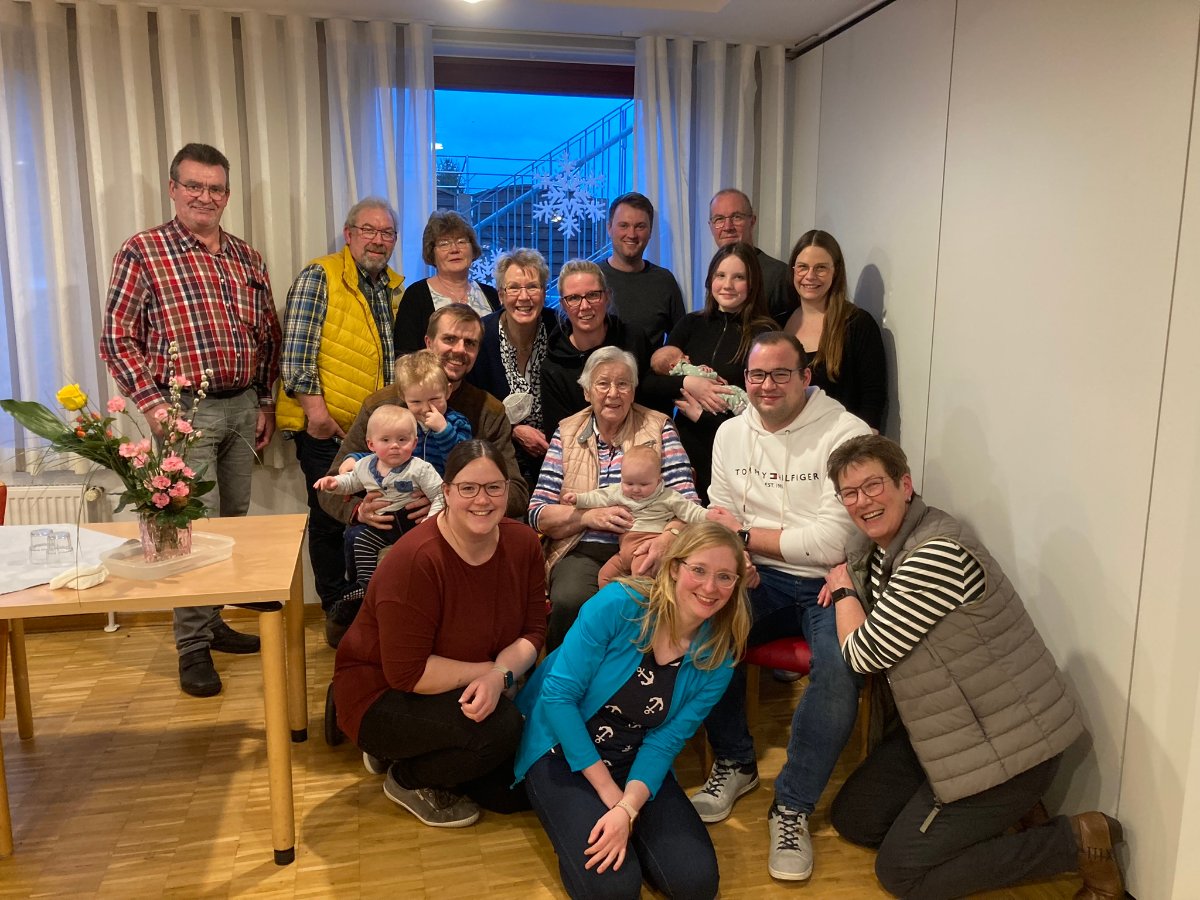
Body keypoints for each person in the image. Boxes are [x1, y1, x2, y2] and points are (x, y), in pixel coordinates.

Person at [823, 435, 1125, 899]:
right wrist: (849, 578)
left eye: (874, 485)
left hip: (1010, 749)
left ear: (905, 485)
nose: (863, 501)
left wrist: (843, 589)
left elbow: (865, 655)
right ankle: (988, 824)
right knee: (855, 819)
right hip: (950, 732)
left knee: (901, 874)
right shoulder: (879, 547)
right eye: (850, 492)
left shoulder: (935, 553)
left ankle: (1076, 843)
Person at [100, 142, 281, 698]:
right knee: (188, 527)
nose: (206, 196)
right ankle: (192, 646)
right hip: (183, 412)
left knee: (232, 521)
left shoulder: (247, 257)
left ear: (227, 194)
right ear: (173, 189)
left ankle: (213, 620)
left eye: (216, 188)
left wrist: (265, 401)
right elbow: (118, 337)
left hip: (242, 404)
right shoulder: (143, 251)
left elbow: (267, 335)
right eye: (195, 186)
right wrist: (154, 406)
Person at [695, 331, 870, 883]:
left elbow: (832, 542)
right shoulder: (730, 434)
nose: (767, 386)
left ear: (805, 377)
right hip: (757, 574)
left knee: (840, 669)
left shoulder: (846, 434)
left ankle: (792, 806)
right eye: (757, 375)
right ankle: (736, 762)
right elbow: (717, 515)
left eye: (780, 374)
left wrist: (746, 535)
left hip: (829, 582)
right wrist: (739, 556)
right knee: (704, 632)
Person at [514, 522, 752, 899]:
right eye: (699, 570)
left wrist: (627, 808)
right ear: (674, 568)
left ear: (736, 584)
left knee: (696, 884)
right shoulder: (619, 605)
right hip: (561, 749)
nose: (710, 587)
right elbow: (558, 698)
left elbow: (666, 740)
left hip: (633, 756)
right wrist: (613, 797)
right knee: (614, 889)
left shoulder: (719, 656)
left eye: (725, 577)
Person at [333, 439, 547, 828]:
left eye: (493, 487)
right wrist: (492, 674)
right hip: (380, 691)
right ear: (445, 492)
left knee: (511, 792)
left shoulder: (523, 543)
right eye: (468, 488)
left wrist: (500, 676)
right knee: (501, 731)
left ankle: (414, 750)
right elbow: (407, 673)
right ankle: (406, 778)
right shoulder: (416, 559)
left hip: (469, 683)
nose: (482, 500)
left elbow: (533, 630)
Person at [320, 306, 528, 646]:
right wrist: (358, 510)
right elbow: (331, 482)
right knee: (348, 637)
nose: (459, 350)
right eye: (450, 339)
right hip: (387, 524)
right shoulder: (381, 405)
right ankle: (363, 599)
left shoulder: (488, 410)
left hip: (457, 530)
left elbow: (516, 493)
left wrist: (451, 504)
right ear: (428, 343)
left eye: (470, 343)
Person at [277, 197, 405, 617]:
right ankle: (336, 607)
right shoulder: (321, 275)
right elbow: (296, 355)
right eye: (369, 230)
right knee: (330, 517)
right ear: (348, 235)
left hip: (375, 433)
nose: (378, 240)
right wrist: (317, 417)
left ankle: (367, 604)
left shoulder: (394, 288)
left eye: (387, 233)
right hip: (328, 429)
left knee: (371, 516)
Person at [528, 347, 698, 651]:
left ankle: (631, 679)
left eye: (623, 384)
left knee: (645, 604)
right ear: (587, 392)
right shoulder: (566, 432)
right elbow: (538, 512)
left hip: (649, 543)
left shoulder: (659, 427)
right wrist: (587, 517)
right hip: (582, 548)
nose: (613, 393)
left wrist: (667, 539)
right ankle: (564, 676)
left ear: (633, 391)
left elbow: (688, 502)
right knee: (570, 599)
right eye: (603, 384)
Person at [642, 243, 777, 502]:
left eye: (739, 277)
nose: (728, 285)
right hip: (686, 452)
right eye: (720, 275)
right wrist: (689, 383)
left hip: (736, 454)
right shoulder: (691, 324)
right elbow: (650, 383)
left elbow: (762, 414)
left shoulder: (765, 334)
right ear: (710, 280)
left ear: (753, 284)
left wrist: (701, 416)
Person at [316, 403, 445, 628]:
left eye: (402, 440)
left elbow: (441, 495)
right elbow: (351, 482)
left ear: (414, 443)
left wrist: (430, 520)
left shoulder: (420, 468)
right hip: (384, 523)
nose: (395, 446)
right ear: (371, 444)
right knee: (361, 539)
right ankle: (366, 584)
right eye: (386, 440)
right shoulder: (365, 465)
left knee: (421, 551)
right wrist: (334, 483)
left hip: (414, 524)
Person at [467, 248, 558, 487]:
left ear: (544, 292)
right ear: (500, 295)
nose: (524, 297)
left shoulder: (559, 330)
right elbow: (472, 404)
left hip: (555, 455)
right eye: (514, 288)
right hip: (497, 455)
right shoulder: (481, 336)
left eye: (532, 287)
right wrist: (513, 429)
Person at [782, 230, 887, 432]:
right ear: (793, 270)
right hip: (788, 438)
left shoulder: (857, 324)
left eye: (821, 268)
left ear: (835, 271)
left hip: (841, 442)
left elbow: (872, 399)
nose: (810, 276)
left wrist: (859, 444)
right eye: (802, 267)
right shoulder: (780, 321)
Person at [563, 445, 709, 588]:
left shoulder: (668, 497)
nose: (636, 489)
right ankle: (613, 603)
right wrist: (578, 499)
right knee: (604, 576)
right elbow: (599, 496)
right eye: (629, 483)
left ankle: (639, 603)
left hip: (648, 548)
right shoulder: (619, 492)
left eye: (644, 484)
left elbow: (690, 511)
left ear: (658, 481)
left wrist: (708, 515)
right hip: (624, 552)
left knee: (641, 576)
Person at [541, 260, 653, 434]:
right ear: (563, 305)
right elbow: (559, 434)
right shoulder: (553, 368)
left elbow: (653, 401)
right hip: (579, 448)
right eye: (573, 298)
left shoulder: (634, 340)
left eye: (593, 295)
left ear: (607, 296)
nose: (585, 306)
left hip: (640, 440)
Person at [392, 211, 499, 355]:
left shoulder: (491, 294)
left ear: (473, 249)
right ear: (432, 253)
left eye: (461, 241)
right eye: (444, 244)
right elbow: (405, 356)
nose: (454, 249)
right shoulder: (416, 296)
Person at [598, 192, 686, 348]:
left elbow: (681, 341)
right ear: (609, 228)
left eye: (640, 226)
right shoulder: (592, 278)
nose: (631, 234)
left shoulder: (664, 281)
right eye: (624, 225)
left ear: (650, 231)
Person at [708, 188, 796, 323]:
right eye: (719, 219)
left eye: (736, 217)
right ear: (710, 226)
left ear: (752, 221)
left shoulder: (779, 275)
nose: (728, 227)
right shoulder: (714, 270)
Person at [391, 350, 472, 475]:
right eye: (416, 402)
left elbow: (463, 463)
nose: (426, 409)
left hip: (444, 485)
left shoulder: (458, 422)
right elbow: (381, 452)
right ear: (403, 396)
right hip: (404, 485)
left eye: (434, 399)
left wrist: (444, 431)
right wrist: (358, 459)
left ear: (448, 391)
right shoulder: (398, 422)